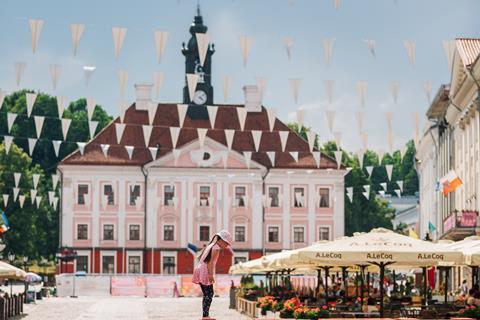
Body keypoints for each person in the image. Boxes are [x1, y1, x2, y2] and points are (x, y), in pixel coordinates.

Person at [192, 230, 233, 319]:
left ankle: (205, 315)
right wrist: (211, 275)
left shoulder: (211, 245)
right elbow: (210, 263)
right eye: (226, 243)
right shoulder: (216, 248)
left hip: (200, 269)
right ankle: (205, 316)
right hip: (205, 271)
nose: (226, 246)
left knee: (207, 294)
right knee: (209, 294)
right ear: (221, 240)